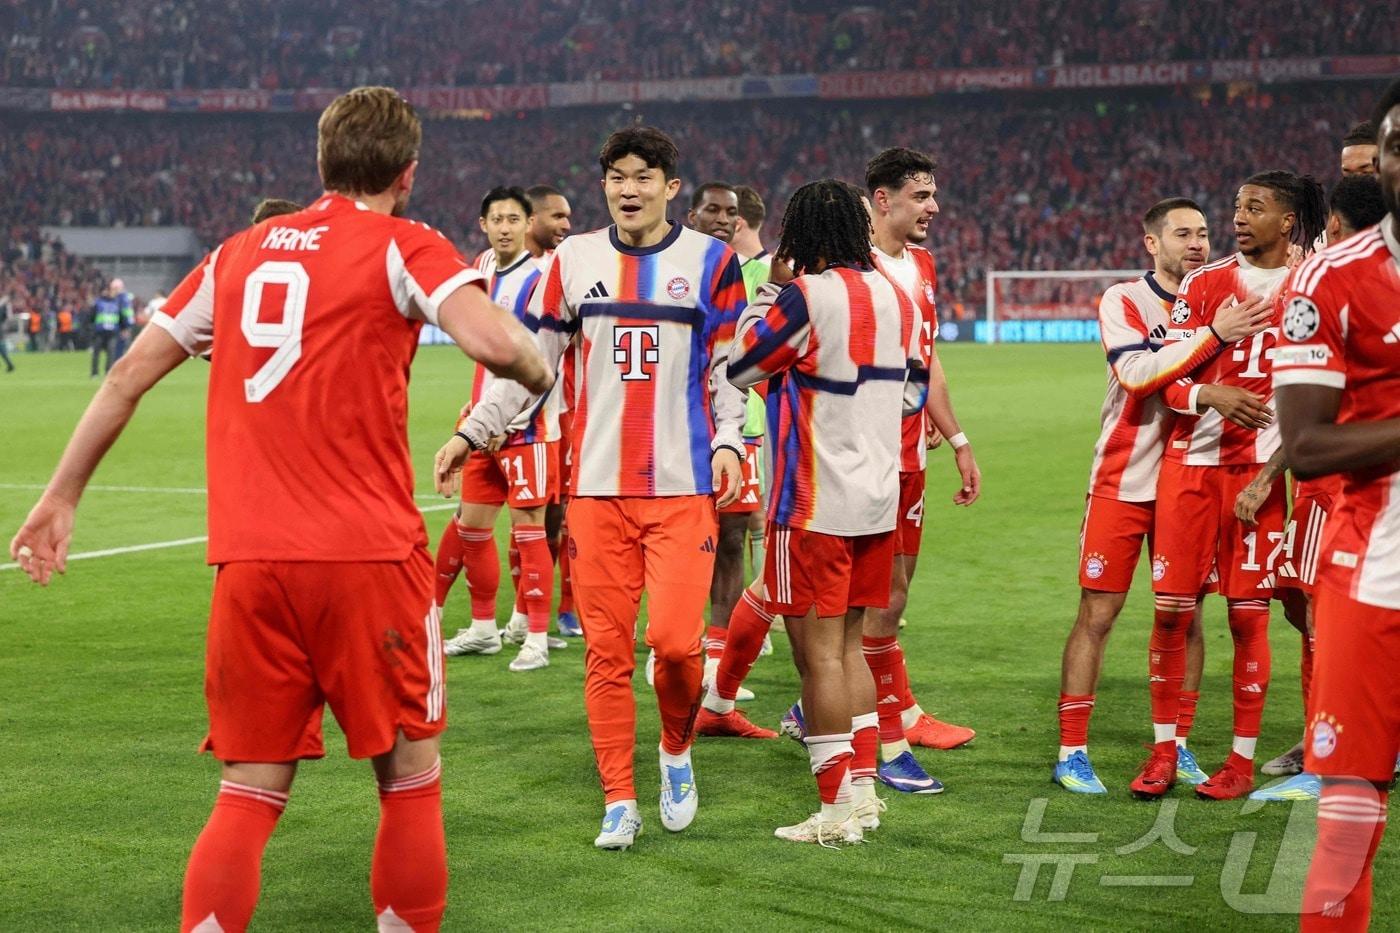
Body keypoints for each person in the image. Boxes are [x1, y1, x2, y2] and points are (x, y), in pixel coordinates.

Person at [9, 85, 551, 933]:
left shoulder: (236, 252)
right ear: (407, 174)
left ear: (320, 162)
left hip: (251, 564)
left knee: (247, 792)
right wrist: (539, 370)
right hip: (370, 558)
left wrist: (60, 494)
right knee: (409, 777)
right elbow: (495, 342)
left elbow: (124, 376)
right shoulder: (404, 243)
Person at [439, 126, 746, 850]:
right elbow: (530, 364)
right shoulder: (572, 261)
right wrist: (475, 432)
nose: (628, 188)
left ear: (672, 187)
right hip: (596, 491)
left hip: (682, 487)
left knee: (673, 646)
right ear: (603, 184)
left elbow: (726, 370)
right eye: (616, 177)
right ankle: (618, 795)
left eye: (644, 176)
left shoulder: (712, 262)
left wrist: (731, 439)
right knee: (606, 652)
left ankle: (675, 748)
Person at [1054, 197, 1272, 794]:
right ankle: (1072, 750)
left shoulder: (1222, 294)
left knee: (1187, 616)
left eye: (1204, 233)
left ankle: (1174, 745)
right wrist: (1213, 334)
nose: (1196, 243)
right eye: (1182, 234)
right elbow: (1138, 375)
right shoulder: (1124, 298)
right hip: (1123, 478)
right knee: (1097, 613)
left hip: (1193, 478)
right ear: (1152, 242)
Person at [728, 178, 924, 845]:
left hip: (811, 503)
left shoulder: (804, 296)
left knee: (818, 660)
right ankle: (864, 793)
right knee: (852, 650)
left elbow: (742, 365)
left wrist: (767, 293)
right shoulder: (896, 297)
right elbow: (910, 395)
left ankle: (835, 809)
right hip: (877, 498)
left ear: (802, 235)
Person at [1132, 170, 1327, 802]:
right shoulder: (1205, 283)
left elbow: (1321, 398)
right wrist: (1209, 391)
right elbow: (1168, 379)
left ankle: (1240, 763)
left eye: (1255, 208)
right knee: (1170, 616)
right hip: (1189, 468)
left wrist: (1273, 472)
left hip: (1258, 479)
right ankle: (1164, 751)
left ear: (1288, 220)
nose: (1239, 218)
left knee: (1249, 622)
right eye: (1237, 207)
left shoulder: (1314, 286)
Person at [1277, 83, 1400, 932]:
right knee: (1351, 795)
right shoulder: (1331, 278)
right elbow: (1310, 445)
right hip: (1378, 560)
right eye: (1397, 143)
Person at [1250, 172, 1387, 802]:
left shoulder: (1327, 280)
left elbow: (1311, 433)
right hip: (1334, 487)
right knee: (1306, 610)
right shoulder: (1329, 281)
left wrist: (1269, 471)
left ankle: (1324, 756)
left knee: (1320, 616)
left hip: (1343, 493)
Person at [436, 186, 566, 671]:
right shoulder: (482, 268)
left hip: (526, 425)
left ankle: (535, 635)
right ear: (483, 224)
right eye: (498, 219)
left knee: (530, 531)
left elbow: (544, 360)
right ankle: (484, 628)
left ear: (528, 223)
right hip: (479, 420)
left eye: (515, 219)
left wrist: (513, 418)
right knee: (472, 527)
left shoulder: (541, 279)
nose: (506, 227)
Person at [523, 183, 580, 637]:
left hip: (565, 409)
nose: (566, 225)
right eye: (557, 217)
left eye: (568, 217)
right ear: (531, 219)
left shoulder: (567, 268)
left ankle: (567, 608)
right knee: (527, 516)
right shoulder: (493, 266)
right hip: (521, 408)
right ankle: (524, 611)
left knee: (562, 514)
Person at [89, 282, 122, 377]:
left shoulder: (116, 303)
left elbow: (120, 317)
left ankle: (108, 372)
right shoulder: (98, 302)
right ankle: (94, 372)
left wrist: (123, 328)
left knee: (111, 353)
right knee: (96, 353)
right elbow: (92, 316)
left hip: (112, 332)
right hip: (99, 332)